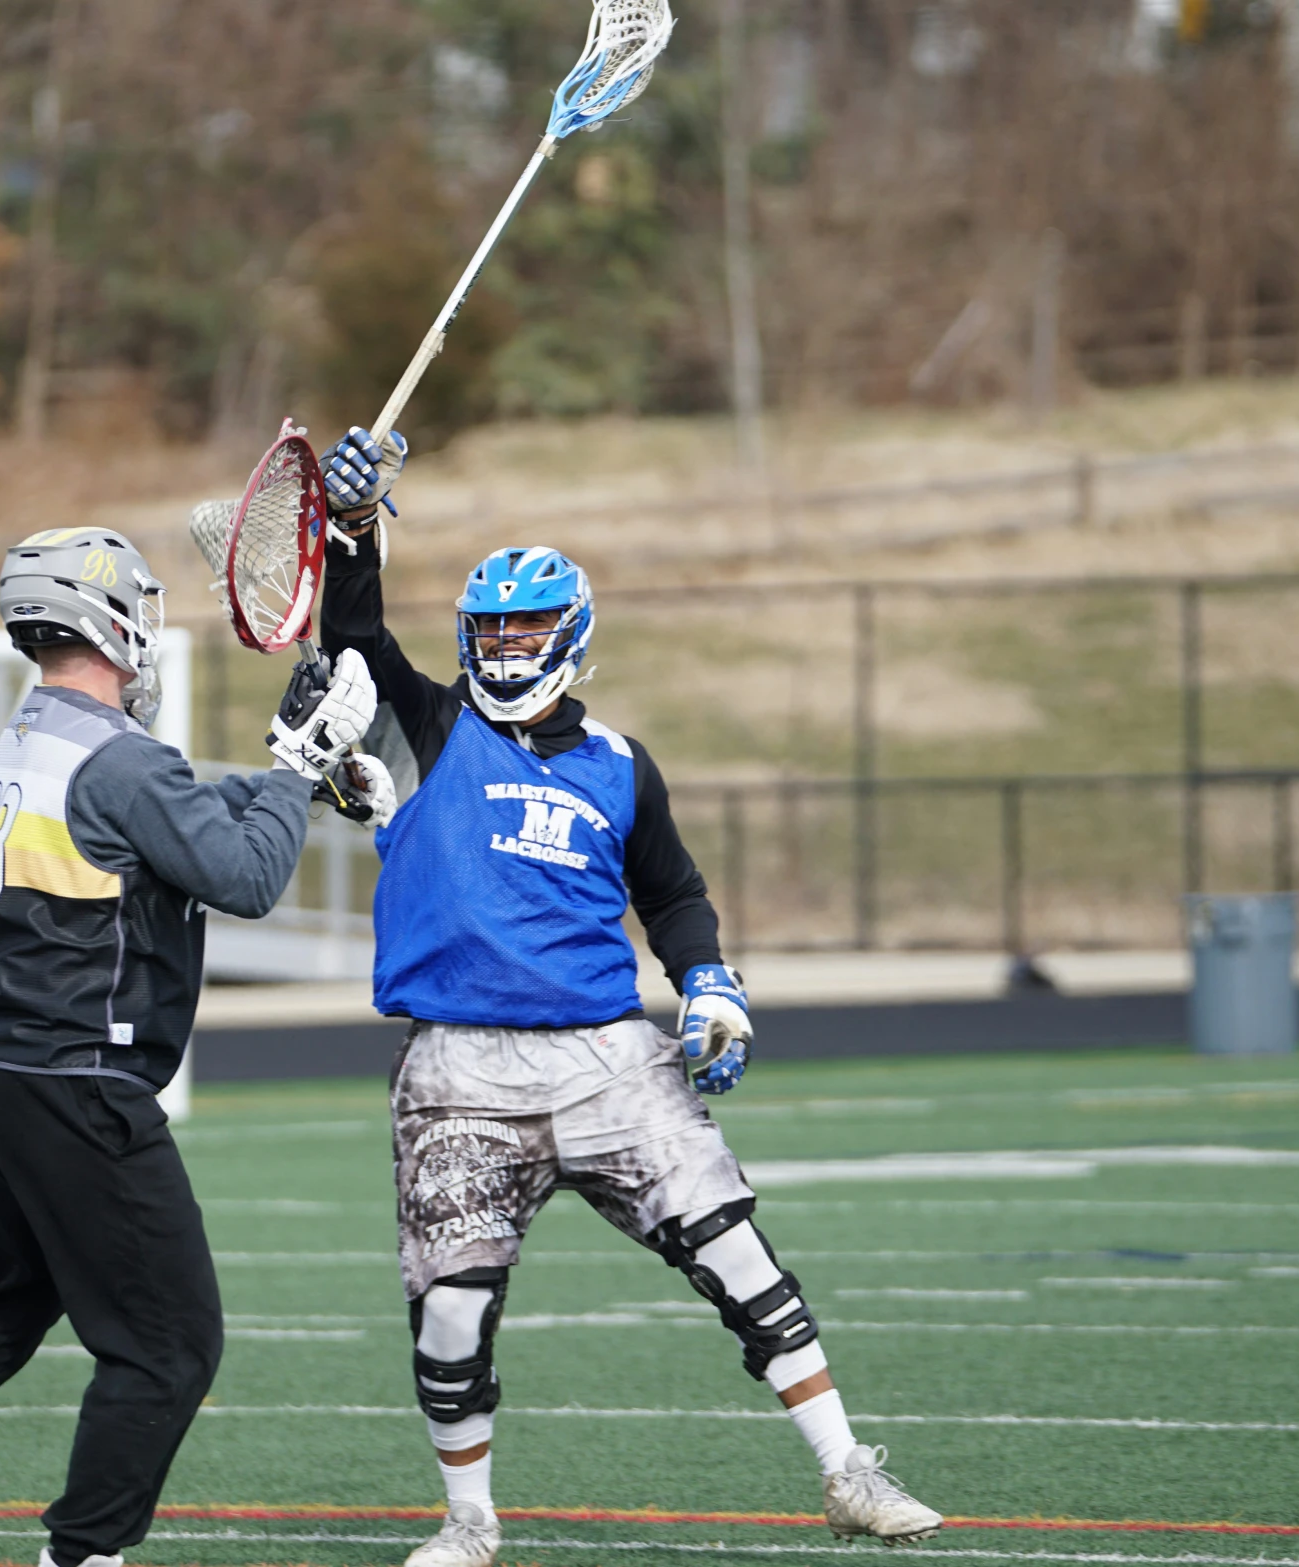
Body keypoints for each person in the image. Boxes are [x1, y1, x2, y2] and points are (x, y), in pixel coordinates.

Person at [314, 429, 945, 1566]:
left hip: (609, 1054)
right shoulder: (430, 726)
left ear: (570, 633)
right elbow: (353, 638)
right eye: (491, 623)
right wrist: (355, 533)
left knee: (739, 1259)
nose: (507, 640)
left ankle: (847, 1471)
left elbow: (674, 892)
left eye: (527, 623)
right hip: (457, 1067)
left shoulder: (619, 762)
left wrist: (710, 982)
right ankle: (469, 1524)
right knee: (452, 1316)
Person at [0, 527, 379, 1567]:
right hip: (78, 1080)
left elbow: (183, 819)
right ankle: (81, 1554)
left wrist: (287, 779)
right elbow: (243, 879)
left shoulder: (41, 731)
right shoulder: (121, 759)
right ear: (111, 619)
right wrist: (295, 773)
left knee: (14, 1290)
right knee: (169, 1343)